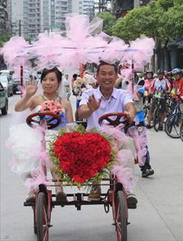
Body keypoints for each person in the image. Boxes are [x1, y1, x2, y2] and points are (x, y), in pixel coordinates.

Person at [77, 62, 138, 206]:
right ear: (97, 77)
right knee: (94, 144)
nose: (107, 77)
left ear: (116, 76)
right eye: (103, 74)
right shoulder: (89, 93)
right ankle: (95, 184)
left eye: (111, 74)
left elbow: (130, 107)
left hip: (117, 137)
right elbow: (81, 112)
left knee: (128, 142)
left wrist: (130, 113)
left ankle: (127, 187)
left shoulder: (122, 94)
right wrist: (91, 109)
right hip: (95, 136)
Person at [13, 67, 74, 202]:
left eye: (52, 80)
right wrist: (28, 95)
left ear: (58, 82)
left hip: (58, 135)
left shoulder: (65, 103)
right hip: (37, 135)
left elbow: (71, 125)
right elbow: (18, 108)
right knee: (32, 150)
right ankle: (32, 189)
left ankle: (59, 189)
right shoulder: (35, 99)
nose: (48, 83)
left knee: (54, 148)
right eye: (45, 80)